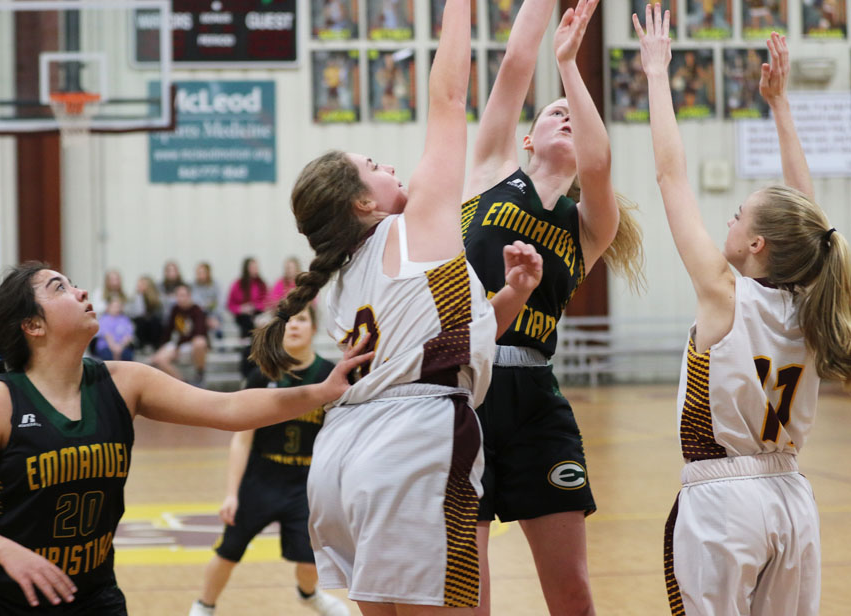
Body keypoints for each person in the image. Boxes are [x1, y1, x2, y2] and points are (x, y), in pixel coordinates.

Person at [251, 1, 543, 612]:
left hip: (345, 457)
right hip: (414, 444)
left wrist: (510, 297)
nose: (388, 164)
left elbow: (443, 342)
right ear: (361, 203)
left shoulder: (337, 278)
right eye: (372, 167)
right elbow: (448, 96)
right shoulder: (416, 229)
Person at [0, 262, 372, 614]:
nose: (80, 291)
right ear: (32, 325)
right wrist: (5, 551)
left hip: (92, 594)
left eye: (74, 282)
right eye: (59, 287)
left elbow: (228, 410)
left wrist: (323, 390)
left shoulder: (124, 381)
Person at [634, 8, 851, 614]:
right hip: (792, 498)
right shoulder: (814, 301)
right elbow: (812, 220)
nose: (728, 220)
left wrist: (657, 74)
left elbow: (670, 175)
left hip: (724, 501)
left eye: (738, 216)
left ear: (757, 246)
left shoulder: (723, 293)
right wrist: (780, 107)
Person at [460, 0, 645, 613]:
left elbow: (599, 161)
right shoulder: (489, 171)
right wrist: (544, 24)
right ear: (526, 139)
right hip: (466, 388)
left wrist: (568, 64)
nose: (566, 115)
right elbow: (515, 62)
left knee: (574, 593)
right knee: (471, 593)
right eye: (554, 113)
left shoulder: (592, 224)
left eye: (574, 112)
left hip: (538, 398)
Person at [189, 305, 348, 616]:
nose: (294, 326)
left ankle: (308, 593)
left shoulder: (330, 375)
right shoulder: (262, 375)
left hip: (304, 480)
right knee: (228, 552)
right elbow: (242, 438)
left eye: (302, 319)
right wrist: (232, 494)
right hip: (260, 478)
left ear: (314, 328)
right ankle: (203, 606)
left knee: (309, 558)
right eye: (288, 321)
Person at [151, 283, 209, 385]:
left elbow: (199, 332)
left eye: (183, 295)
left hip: (190, 343)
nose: (180, 299)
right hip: (178, 343)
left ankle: (200, 372)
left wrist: (178, 346)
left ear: (189, 296)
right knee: (158, 359)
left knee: (200, 342)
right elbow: (168, 331)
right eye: (178, 296)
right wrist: (163, 347)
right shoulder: (175, 309)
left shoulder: (197, 310)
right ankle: (182, 382)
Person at [227, 257, 268, 337]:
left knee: (261, 322)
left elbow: (265, 301)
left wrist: (254, 306)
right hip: (242, 316)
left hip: (257, 313)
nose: (255, 269)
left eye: (256, 267)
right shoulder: (237, 284)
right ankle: (249, 342)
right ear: (246, 269)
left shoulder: (261, 284)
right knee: (246, 320)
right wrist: (241, 309)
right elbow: (230, 304)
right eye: (252, 267)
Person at [124, 275, 165, 352]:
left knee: (154, 321)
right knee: (141, 321)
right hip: (140, 325)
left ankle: (154, 346)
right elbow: (135, 313)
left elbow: (161, 315)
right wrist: (140, 297)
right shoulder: (134, 298)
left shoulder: (158, 299)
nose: (139, 286)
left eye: (142, 284)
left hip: (153, 327)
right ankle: (141, 346)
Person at [93, 294, 135, 362]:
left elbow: (128, 336)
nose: (116, 309)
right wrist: (115, 348)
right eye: (114, 306)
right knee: (108, 357)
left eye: (118, 306)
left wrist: (120, 347)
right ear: (108, 307)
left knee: (128, 356)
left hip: (122, 347)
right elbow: (107, 336)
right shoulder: (104, 319)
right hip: (106, 347)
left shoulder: (125, 319)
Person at [192, 262, 224, 338]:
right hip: (200, 315)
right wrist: (208, 305)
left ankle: (219, 339)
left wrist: (213, 314)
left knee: (215, 321)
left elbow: (220, 302)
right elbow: (196, 303)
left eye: (202, 272)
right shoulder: (193, 286)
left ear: (208, 273)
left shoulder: (215, 285)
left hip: (215, 314)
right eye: (198, 273)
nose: (200, 275)